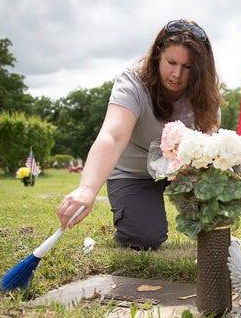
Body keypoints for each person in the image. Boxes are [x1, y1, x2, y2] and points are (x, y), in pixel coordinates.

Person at [57, 19, 221, 250]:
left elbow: (209, 147)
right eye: (171, 62)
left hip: (182, 172)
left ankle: (216, 232)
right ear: (157, 56)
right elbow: (112, 136)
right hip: (134, 173)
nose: (176, 74)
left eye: (188, 67)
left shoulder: (205, 94)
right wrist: (87, 189)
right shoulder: (133, 82)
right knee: (145, 239)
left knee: (224, 174)